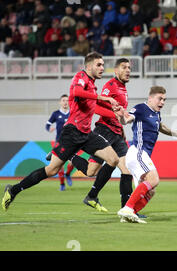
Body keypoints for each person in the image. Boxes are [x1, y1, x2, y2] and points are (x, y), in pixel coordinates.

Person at [2, 52, 120, 213]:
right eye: (99, 65)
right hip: (72, 132)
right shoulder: (81, 77)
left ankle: (92, 196)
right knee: (52, 170)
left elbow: (92, 101)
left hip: (86, 134)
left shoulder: (92, 84)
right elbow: (77, 93)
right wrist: (103, 98)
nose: (102, 68)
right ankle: (13, 190)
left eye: (103, 65)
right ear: (89, 66)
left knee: (113, 160)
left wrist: (112, 106)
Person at [70, 58, 135, 213]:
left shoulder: (123, 89)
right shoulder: (110, 86)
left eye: (129, 68)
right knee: (91, 172)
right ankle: (69, 156)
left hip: (117, 135)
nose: (127, 70)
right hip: (104, 131)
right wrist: (115, 116)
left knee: (127, 170)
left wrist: (122, 130)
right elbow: (96, 108)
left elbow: (118, 115)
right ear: (116, 70)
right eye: (124, 67)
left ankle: (127, 210)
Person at [116, 86, 177, 223]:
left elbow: (160, 126)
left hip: (140, 155)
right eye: (160, 99)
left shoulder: (156, 114)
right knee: (154, 179)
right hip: (138, 152)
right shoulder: (141, 108)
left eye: (164, 99)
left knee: (150, 191)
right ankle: (127, 208)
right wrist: (121, 116)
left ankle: (129, 214)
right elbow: (127, 119)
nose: (162, 102)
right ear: (150, 98)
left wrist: (175, 133)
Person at [45, 94, 74, 191]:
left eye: (67, 100)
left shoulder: (73, 112)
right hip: (60, 142)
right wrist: (49, 129)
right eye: (63, 100)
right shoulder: (56, 114)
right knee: (60, 164)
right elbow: (47, 125)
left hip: (71, 141)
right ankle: (62, 184)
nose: (65, 102)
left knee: (73, 161)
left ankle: (68, 174)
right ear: (60, 102)